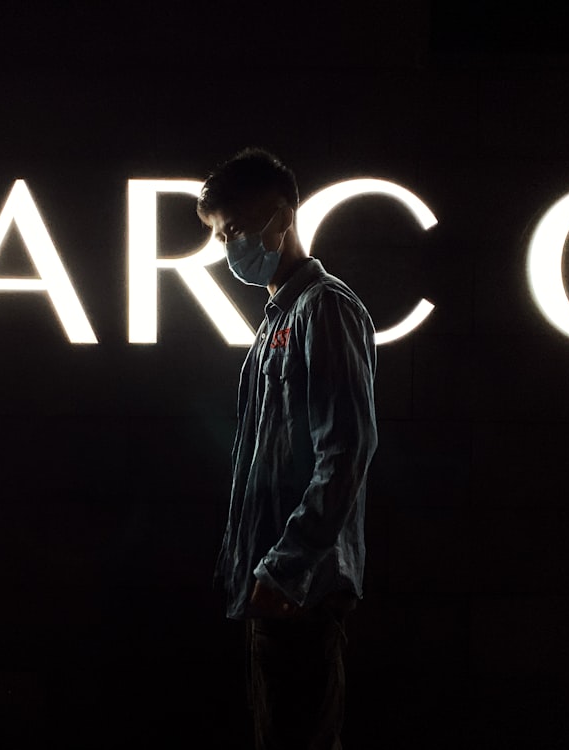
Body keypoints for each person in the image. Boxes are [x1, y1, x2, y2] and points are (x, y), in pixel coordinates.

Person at [198, 148, 378, 750]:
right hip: (271, 588)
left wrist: (285, 566)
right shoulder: (280, 315)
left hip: (299, 589)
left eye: (237, 230)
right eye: (223, 235)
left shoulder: (324, 309)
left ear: (283, 218)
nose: (230, 248)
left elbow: (346, 451)